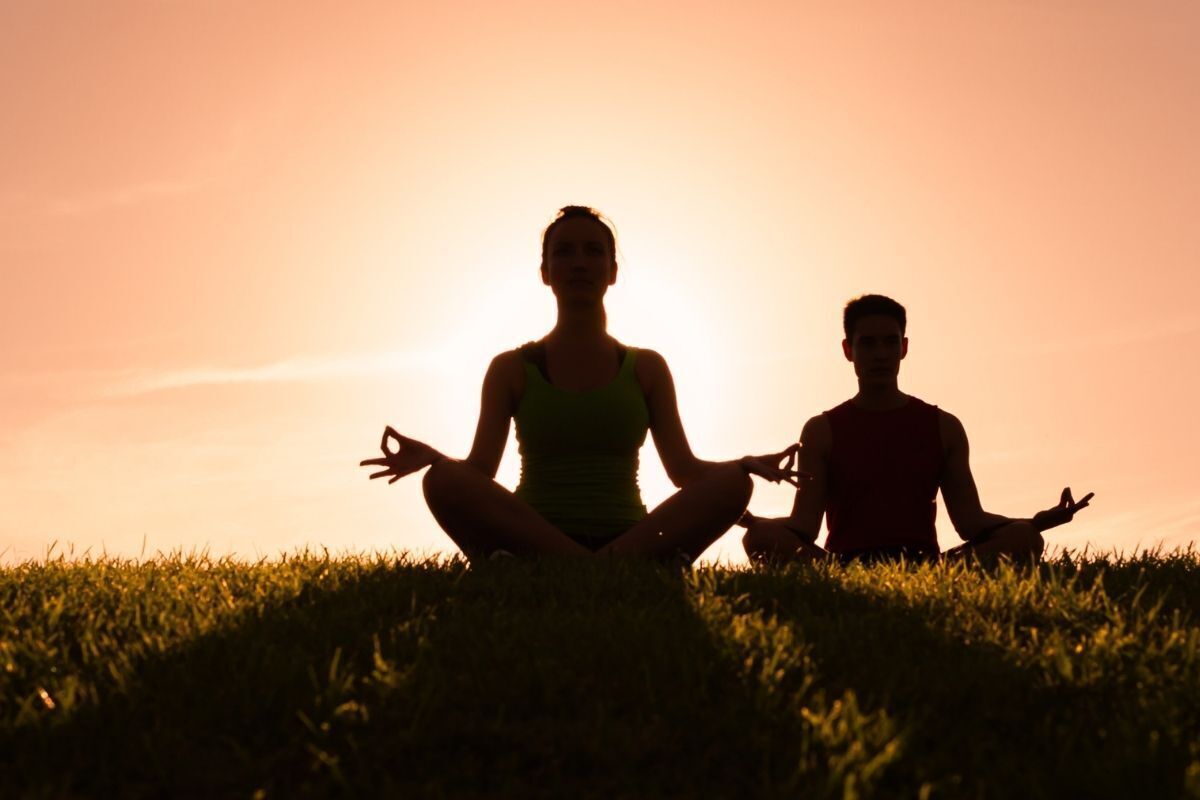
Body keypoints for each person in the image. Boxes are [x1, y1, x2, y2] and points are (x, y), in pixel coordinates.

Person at [361, 205, 803, 563]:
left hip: (631, 534)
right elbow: (477, 473)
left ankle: (576, 567)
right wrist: (436, 460)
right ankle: (600, 569)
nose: (578, 263)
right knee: (441, 481)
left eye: (593, 252)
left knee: (734, 482)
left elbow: (684, 470)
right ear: (545, 272)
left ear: (612, 271)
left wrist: (741, 464)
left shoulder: (647, 367)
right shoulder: (511, 368)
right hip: (535, 532)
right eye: (564, 253)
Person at [741, 294, 1093, 565]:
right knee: (760, 537)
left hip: (927, 565)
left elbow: (970, 521)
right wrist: (745, 517)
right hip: (842, 568)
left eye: (890, 342)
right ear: (848, 350)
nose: (880, 354)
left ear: (904, 348)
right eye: (868, 343)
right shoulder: (821, 430)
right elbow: (804, 526)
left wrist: (1035, 522)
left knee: (1024, 539)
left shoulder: (943, 426)